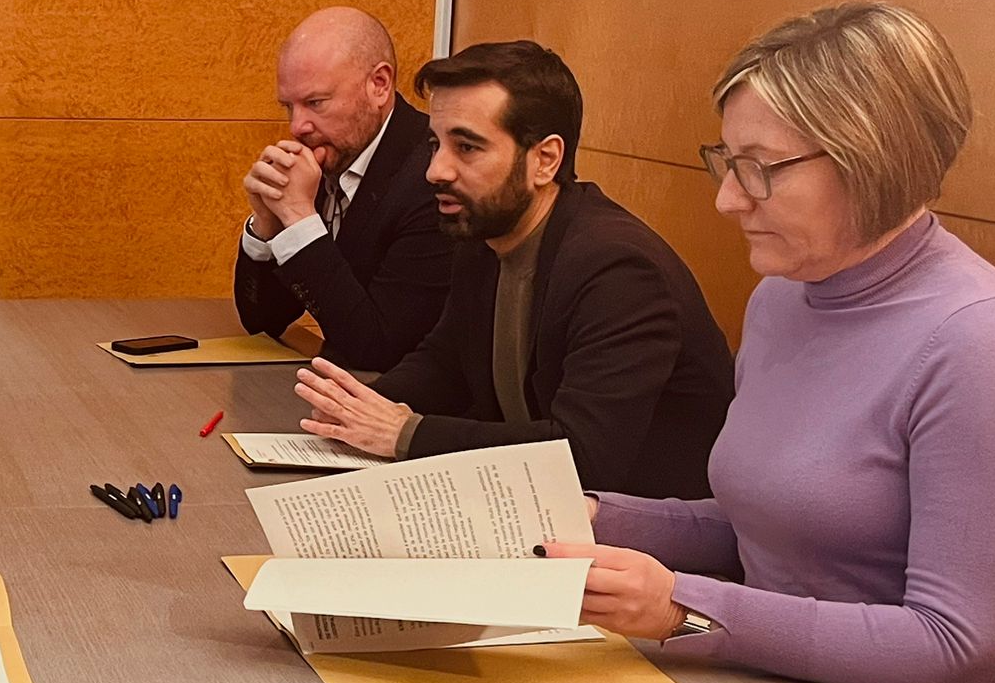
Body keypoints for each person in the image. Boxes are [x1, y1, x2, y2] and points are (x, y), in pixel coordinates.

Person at [542, 3, 995, 683]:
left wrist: (685, 609)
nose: (728, 198)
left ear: (872, 158)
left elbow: (955, 648)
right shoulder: (784, 297)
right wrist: (595, 517)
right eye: (725, 161)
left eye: (760, 167)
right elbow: (770, 523)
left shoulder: (985, 341)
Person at [294, 40, 734, 498]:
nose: (435, 170)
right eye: (434, 144)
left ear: (545, 160)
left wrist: (404, 433)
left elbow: (582, 457)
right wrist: (360, 408)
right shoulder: (484, 235)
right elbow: (446, 362)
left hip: (645, 541)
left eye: (466, 147)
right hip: (539, 511)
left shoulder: (619, 270)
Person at [234, 7, 453, 370]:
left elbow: (378, 349)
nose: (298, 127)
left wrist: (300, 219)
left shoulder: (431, 177)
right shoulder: (334, 153)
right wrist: (266, 224)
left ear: (379, 85)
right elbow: (263, 321)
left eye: (315, 103)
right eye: (289, 107)